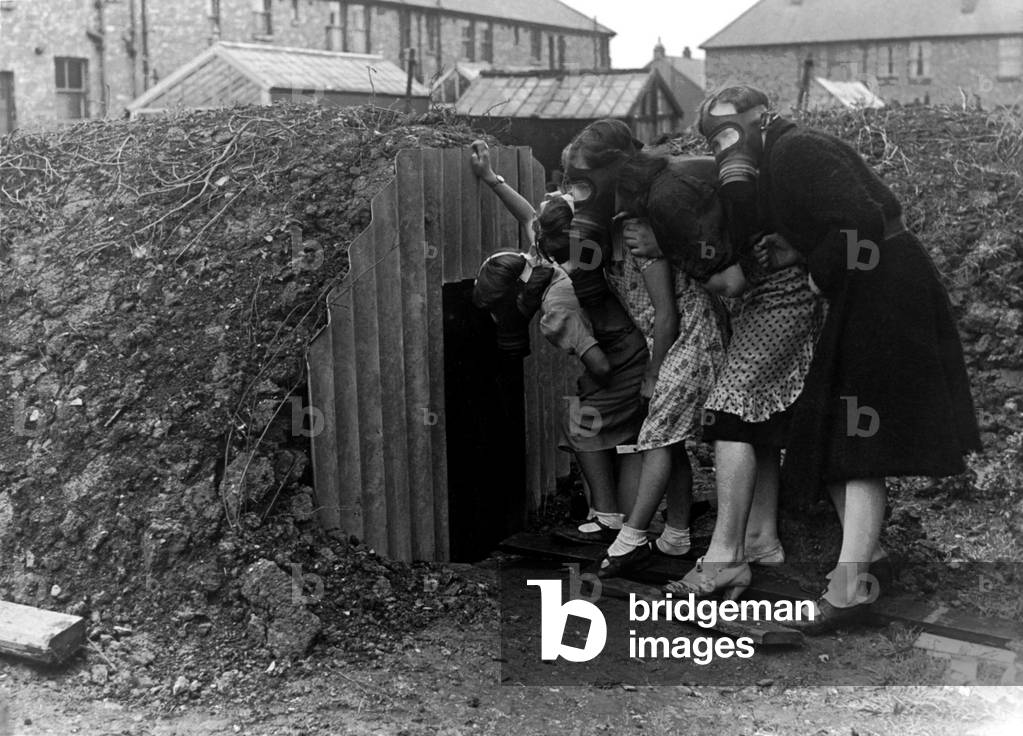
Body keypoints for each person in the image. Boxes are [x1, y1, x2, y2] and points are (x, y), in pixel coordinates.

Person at [695, 85, 981, 628]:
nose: (724, 143)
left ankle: (850, 589)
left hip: (885, 285)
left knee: (857, 438)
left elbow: (862, 222)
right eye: (714, 137)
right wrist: (802, 246)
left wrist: (814, 267)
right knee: (832, 428)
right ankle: (867, 563)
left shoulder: (795, 151)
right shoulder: (779, 155)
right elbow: (838, 220)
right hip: (869, 283)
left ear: (762, 117)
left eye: (730, 129)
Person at [558, 121, 730, 578]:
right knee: (668, 441)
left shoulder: (638, 227)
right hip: (668, 340)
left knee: (657, 432)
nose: (580, 193)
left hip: (693, 334)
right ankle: (675, 534)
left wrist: (653, 373)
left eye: (586, 181)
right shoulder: (604, 233)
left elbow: (667, 312)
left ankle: (632, 536)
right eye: (573, 182)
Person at [469, 140, 648, 543]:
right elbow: (531, 217)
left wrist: (593, 382)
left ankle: (607, 520)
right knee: (633, 436)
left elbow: (600, 365)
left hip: (622, 355)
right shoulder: (542, 261)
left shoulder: (555, 309)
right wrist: (491, 179)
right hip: (635, 345)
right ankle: (636, 520)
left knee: (582, 427)